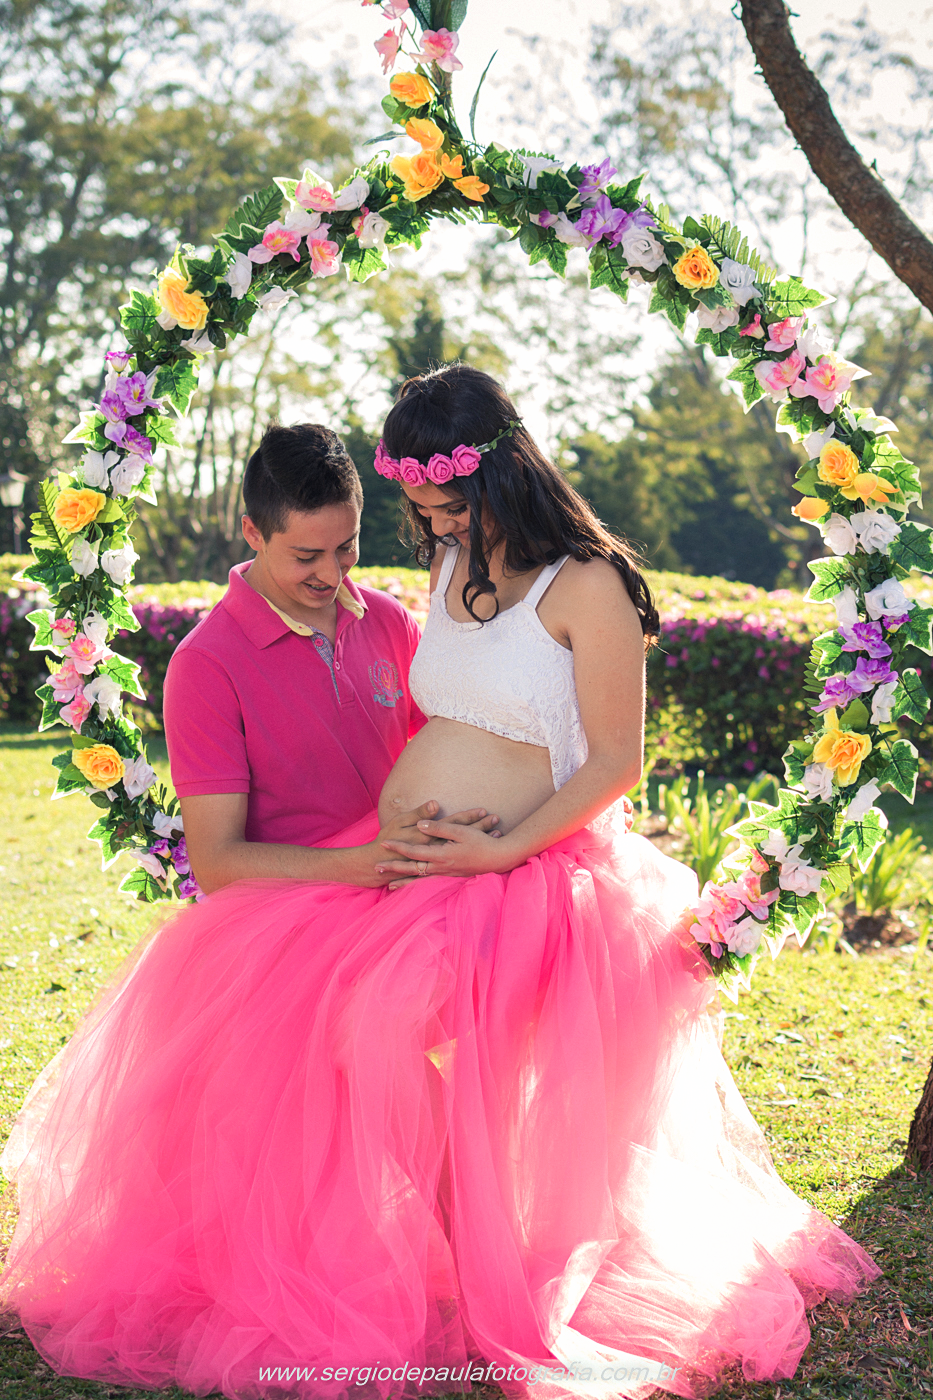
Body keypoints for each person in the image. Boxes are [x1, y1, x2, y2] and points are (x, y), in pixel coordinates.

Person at [1, 366, 880, 1400]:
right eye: (419, 511)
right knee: (318, 1027)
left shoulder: (587, 580)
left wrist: (493, 849)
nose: (432, 527)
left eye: (446, 504)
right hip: (425, 864)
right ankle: (441, 1241)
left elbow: (614, 762)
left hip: (524, 875)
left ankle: (486, 1259)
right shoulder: (455, 567)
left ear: (504, 469)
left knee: (379, 1032)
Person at [161, 420, 500, 889]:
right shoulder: (204, 665)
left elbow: (451, 748)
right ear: (253, 533)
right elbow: (217, 863)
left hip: (413, 888)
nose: (329, 573)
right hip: (301, 912)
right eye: (305, 556)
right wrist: (361, 863)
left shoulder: (388, 620)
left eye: (345, 547)